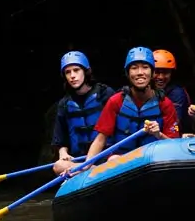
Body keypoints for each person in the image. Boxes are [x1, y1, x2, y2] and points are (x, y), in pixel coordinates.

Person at [60, 47, 180, 176]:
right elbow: (100, 139)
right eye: (134, 68)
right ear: (128, 73)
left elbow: (173, 146)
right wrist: (85, 166)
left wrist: (158, 134)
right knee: (111, 159)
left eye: (145, 67)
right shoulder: (116, 101)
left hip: (153, 162)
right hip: (123, 161)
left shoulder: (165, 104)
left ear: (152, 73)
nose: (140, 72)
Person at [51, 51, 116, 176]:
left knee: (115, 160)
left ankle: (89, 170)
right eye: (68, 72)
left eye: (76, 70)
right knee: (58, 166)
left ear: (86, 72)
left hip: (106, 155)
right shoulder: (64, 104)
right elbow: (60, 141)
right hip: (79, 159)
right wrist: (63, 154)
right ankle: (92, 170)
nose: (72, 76)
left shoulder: (105, 93)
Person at [152, 49, 193, 129]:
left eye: (165, 72)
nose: (161, 77)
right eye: (157, 72)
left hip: (177, 136)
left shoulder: (177, 93)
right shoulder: (145, 90)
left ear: (171, 74)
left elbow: (174, 124)